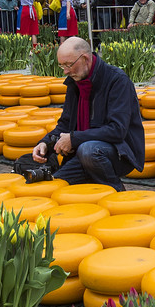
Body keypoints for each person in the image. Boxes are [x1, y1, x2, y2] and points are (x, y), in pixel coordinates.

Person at [33, 36, 145, 191]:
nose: (65, 71)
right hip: (83, 152)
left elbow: (117, 130)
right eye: (62, 66)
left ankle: (117, 192)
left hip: (119, 152)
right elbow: (65, 123)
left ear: (85, 58)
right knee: (57, 185)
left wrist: (74, 139)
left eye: (68, 65)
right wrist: (45, 143)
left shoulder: (117, 80)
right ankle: (93, 180)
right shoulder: (75, 82)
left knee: (89, 151)